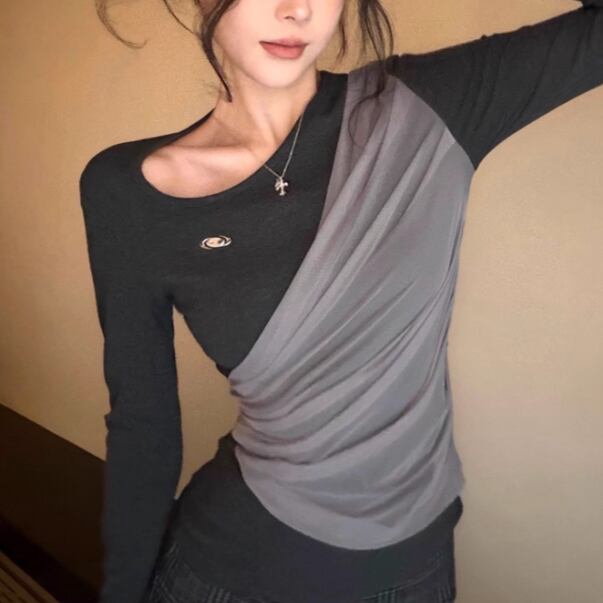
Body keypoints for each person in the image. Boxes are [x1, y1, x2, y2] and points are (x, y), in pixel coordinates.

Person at [79, 1, 603, 602]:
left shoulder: (430, 106)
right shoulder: (128, 191)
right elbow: (143, 424)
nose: (296, 9)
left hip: (415, 572)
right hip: (228, 571)